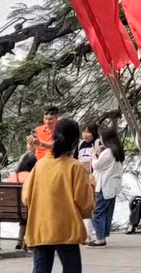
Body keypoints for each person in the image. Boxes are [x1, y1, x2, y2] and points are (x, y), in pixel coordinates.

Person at [21, 116, 94, 273]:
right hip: (66, 229)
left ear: (54, 137)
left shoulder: (40, 165)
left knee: (40, 269)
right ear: (75, 142)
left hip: (40, 227)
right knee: (71, 269)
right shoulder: (75, 167)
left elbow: (26, 197)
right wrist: (91, 183)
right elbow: (85, 203)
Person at [87, 127, 124, 247]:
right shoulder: (117, 150)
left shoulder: (108, 152)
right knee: (106, 212)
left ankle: (100, 238)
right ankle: (103, 235)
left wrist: (94, 155)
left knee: (97, 212)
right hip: (112, 186)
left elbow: (97, 165)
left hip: (104, 185)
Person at [8, 153, 38, 251]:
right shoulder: (34, 177)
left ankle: (19, 240)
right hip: (29, 210)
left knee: (24, 212)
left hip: (12, 209)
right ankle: (28, 241)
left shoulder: (13, 176)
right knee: (30, 211)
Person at [77, 123, 98, 242]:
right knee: (83, 205)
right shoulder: (80, 144)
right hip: (81, 177)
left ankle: (92, 233)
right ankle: (85, 233)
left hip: (93, 177)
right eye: (84, 131)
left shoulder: (96, 144)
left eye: (88, 132)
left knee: (91, 205)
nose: (85, 134)